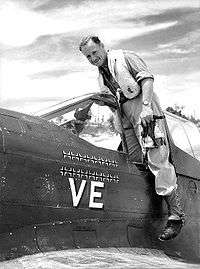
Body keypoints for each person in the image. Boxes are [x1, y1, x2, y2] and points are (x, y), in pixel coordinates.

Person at [79, 35, 185, 241]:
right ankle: (146, 213)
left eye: (94, 52)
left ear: (102, 46)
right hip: (125, 118)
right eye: (88, 56)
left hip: (144, 113)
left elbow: (147, 79)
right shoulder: (101, 75)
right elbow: (111, 98)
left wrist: (146, 107)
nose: (93, 58)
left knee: (157, 160)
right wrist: (89, 106)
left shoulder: (125, 57)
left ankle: (176, 216)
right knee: (135, 162)